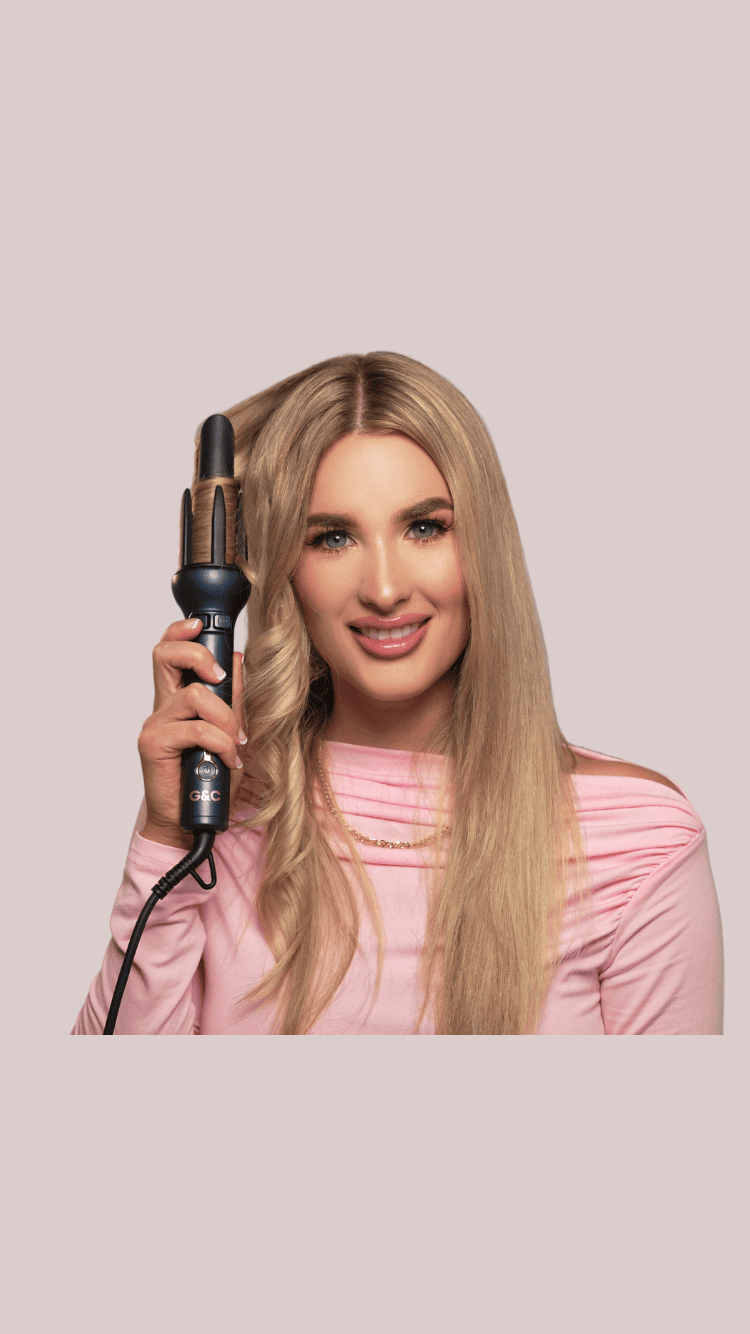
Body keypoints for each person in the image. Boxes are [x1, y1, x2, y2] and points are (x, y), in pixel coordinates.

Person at [72, 351, 724, 1035]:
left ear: (483, 549)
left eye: (424, 527)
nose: (384, 589)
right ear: (285, 573)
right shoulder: (221, 811)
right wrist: (167, 836)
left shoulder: (638, 841)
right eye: (331, 537)